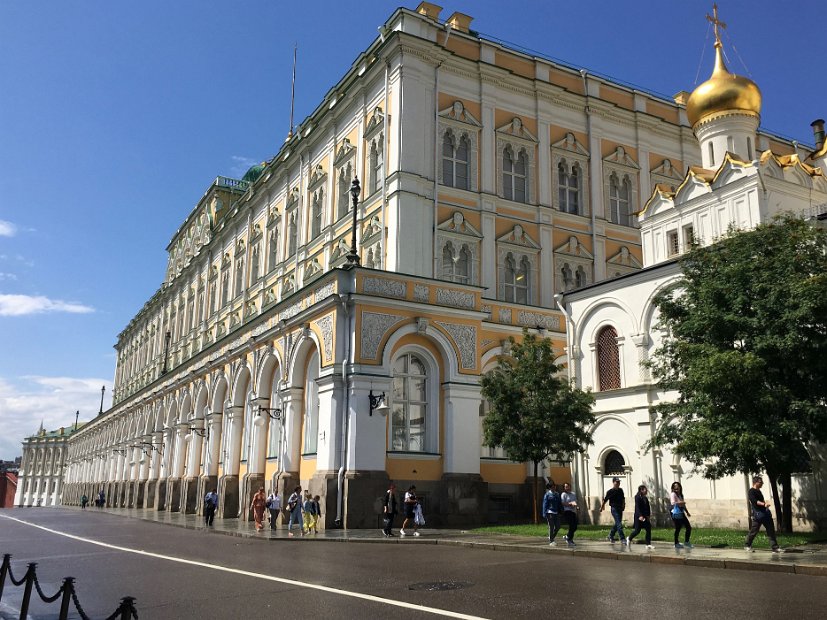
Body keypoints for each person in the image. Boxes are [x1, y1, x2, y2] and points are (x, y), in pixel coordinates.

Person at [745, 476, 781, 553]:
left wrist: (765, 506)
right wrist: (764, 504)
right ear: (755, 482)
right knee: (754, 531)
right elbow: (754, 501)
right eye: (761, 482)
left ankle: (775, 547)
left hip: (765, 514)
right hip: (758, 515)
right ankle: (747, 545)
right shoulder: (751, 491)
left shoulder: (759, 491)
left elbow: (761, 500)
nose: (762, 484)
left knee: (771, 530)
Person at [626, 485, 654, 549]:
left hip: (645, 516)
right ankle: (629, 538)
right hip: (638, 517)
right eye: (645, 489)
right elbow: (637, 507)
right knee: (637, 531)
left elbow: (648, 507)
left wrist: (648, 516)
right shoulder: (637, 497)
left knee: (648, 528)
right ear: (641, 490)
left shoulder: (645, 498)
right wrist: (640, 515)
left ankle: (648, 544)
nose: (646, 491)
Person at [600, 477, 626, 543]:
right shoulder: (610, 491)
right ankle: (622, 538)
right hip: (614, 509)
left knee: (617, 523)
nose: (618, 483)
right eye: (617, 482)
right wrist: (601, 507)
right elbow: (605, 500)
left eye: (619, 482)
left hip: (620, 508)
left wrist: (623, 505)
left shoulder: (621, 490)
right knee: (619, 524)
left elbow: (623, 499)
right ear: (613, 482)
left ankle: (610, 535)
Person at [670, 481, 693, 549]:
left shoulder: (681, 495)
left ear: (680, 487)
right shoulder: (673, 494)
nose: (676, 489)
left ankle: (686, 541)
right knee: (678, 528)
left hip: (681, 512)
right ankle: (676, 543)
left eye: (678, 487)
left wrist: (687, 512)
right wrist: (680, 502)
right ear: (673, 489)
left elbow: (683, 505)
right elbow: (672, 503)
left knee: (688, 527)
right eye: (675, 488)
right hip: (675, 512)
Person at [560, 482, 579, 547]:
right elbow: (563, 503)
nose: (567, 488)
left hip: (573, 511)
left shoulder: (573, 494)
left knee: (575, 526)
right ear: (564, 488)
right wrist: (570, 504)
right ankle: (570, 540)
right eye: (566, 487)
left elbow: (575, 502)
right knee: (572, 525)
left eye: (568, 486)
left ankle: (567, 536)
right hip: (567, 511)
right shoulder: (563, 494)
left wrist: (577, 506)